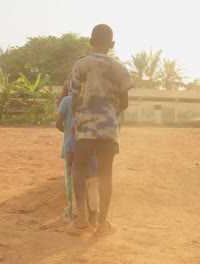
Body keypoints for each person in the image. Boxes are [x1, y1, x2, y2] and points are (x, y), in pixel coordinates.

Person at [70, 24, 132, 235]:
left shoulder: (81, 65)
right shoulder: (120, 69)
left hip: (86, 126)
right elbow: (124, 101)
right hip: (108, 129)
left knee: (78, 168)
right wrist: (109, 114)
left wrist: (82, 115)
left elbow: (74, 100)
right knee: (106, 173)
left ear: (90, 41)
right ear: (112, 44)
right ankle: (103, 223)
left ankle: (81, 219)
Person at [65, 128, 100, 227]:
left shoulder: (73, 135)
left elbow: (69, 153)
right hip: (95, 171)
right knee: (93, 194)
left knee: (78, 195)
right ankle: (93, 219)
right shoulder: (96, 134)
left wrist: (69, 166)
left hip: (78, 172)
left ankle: (78, 220)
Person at [55, 90, 75, 219]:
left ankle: (72, 212)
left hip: (70, 147)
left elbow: (58, 124)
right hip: (89, 148)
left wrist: (68, 133)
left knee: (70, 179)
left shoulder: (67, 100)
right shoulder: (91, 100)